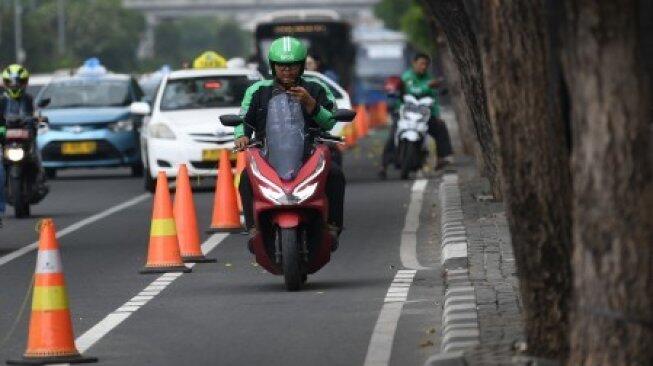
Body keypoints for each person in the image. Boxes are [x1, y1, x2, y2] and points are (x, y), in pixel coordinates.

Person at [234, 36, 345, 249]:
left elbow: (330, 121)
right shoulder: (258, 90)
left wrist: (311, 104)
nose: (287, 71)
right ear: (273, 66)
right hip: (268, 152)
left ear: (302, 66)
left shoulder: (316, 87)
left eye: (292, 66)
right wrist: (242, 136)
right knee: (246, 177)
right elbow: (243, 119)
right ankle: (253, 228)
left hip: (309, 152)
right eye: (281, 66)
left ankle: (332, 226)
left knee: (335, 174)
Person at [378, 53, 453, 177]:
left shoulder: (429, 78)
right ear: (414, 63)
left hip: (423, 113)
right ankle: (383, 166)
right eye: (421, 64)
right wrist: (427, 86)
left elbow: (434, 99)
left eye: (426, 64)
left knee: (440, 127)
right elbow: (413, 90)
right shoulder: (408, 77)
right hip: (404, 111)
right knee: (393, 135)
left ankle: (441, 158)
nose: (423, 67)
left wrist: (437, 115)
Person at [0, 64, 49, 217]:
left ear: (25, 82)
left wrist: (40, 120)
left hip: (25, 134)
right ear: (6, 83)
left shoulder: (29, 99)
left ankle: (40, 173)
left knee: (36, 149)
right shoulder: (1, 100)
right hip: (5, 135)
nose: (15, 85)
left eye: (18, 82)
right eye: (11, 82)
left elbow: (37, 114)